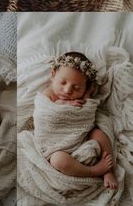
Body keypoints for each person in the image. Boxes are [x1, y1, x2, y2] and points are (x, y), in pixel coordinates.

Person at [42, 52, 118, 189]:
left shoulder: (84, 97)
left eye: (76, 88)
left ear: (85, 88)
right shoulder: (49, 93)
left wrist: (87, 98)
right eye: (63, 82)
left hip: (81, 139)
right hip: (56, 147)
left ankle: (108, 171)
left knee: (98, 134)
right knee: (57, 160)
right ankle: (93, 171)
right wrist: (64, 104)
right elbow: (44, 112)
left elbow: (88, 118)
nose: (67, 90)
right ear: (53, 74)